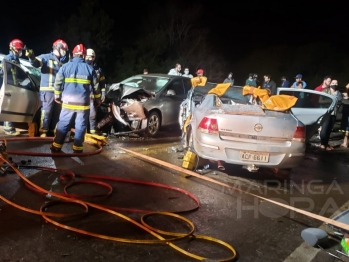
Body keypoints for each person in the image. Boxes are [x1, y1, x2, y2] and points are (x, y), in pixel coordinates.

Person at [50, 44, 100, 153]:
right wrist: (98, 99)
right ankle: (78, 148)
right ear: (83, 55)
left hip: (68, 102)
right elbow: (96, 87)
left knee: (63, 123)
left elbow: (58, 82)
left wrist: (57, 95)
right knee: (81, 125)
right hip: (83, 103)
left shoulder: (65, 66)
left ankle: (56, 146)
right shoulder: (90, 69)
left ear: (73, 54)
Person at [26, 39, 69, 137]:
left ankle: (53, 131)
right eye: (64, 49)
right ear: (57, 48)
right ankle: (43, 131)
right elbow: (36, 63)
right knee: (46, 112)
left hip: (59, 92)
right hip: (48, 91)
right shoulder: (46, 57)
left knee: (57, 113)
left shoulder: (62, 63)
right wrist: (31, 56)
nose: (65, 52)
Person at [2, 39, 26, 136]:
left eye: (21, 50)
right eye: (18, 49)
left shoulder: (15, 60)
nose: (20, 52)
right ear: (12, 49)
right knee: (9, 106)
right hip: (9, 87)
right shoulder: (7, 59)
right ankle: (8, 127)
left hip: (14, 87)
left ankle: (10, 126)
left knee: (12, 106)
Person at [85, 48, 106, 134]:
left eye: (90, 57)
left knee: (92, 115)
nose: (88, 59)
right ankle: (83, 133)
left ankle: (92, 132)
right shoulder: (83, 68)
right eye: (86, 57)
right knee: (83, 115)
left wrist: (103, 93)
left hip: (93, 97)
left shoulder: (98, 70)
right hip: (83, 96)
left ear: (93, 58)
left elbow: (102, 83)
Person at [318, 79, 342, 151]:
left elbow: (340, 101)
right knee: (324, 129)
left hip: (334, 113)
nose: (334, 84)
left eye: (336, 83)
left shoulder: (338, 93)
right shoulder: (325, 91)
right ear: (330, 84)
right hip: (326, 112)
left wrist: (338, 104)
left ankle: (326, 144)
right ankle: (322, 144)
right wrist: (331, 101)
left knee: (329, 129)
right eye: (333, 83)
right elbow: (320, 100)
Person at [340, 83, 349, 147]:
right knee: (344, 127)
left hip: (347, 112)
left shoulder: (345, 94)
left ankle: (345, 142)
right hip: (345, 112)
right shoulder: (344, 94)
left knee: (346, 127)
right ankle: (345, 141)